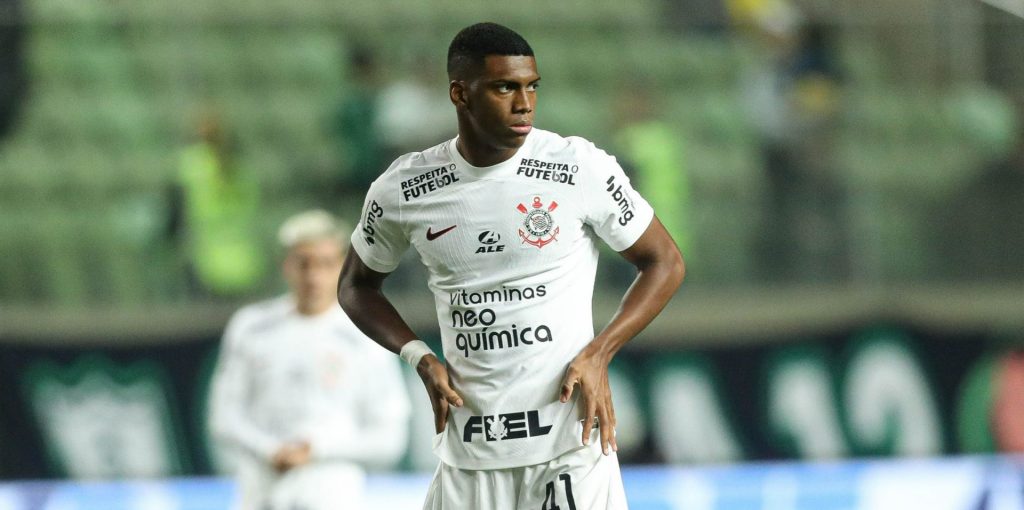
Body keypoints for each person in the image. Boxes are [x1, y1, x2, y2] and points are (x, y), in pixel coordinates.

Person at [337, 23, 685, 509]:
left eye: (531, 87)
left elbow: (664, 262)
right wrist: (419, 355)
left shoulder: (577, 167)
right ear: (461, 93)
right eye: (505, 87)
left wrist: (600, 352)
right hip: (469, 451)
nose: (524, 102)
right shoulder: (406, 188)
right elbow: (356, 286)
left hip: (569, 443)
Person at [209, 210, 411, 510]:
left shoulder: (368, 334)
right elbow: (224, 417)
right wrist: (269, 450)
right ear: (285, 265)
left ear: (343, 266)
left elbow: (390, 439)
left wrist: (317, 451)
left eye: (326, 264)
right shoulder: (252, 327)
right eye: (303, 263)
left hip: (329, 495)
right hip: (262, 492)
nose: (313, 276)